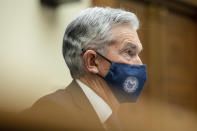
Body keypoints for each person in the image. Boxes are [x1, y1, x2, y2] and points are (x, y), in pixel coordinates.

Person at [22, 7, 147, 131]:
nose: (139, 63)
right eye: (129, 52)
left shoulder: (113, 121)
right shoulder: (53, 112)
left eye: (138, 54)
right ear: (92, 61)